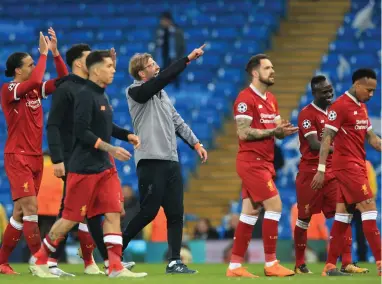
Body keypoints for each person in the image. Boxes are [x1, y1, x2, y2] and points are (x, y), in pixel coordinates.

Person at [31, 50, 147, 278]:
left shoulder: (101, 95)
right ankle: (39, 259)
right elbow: (81, 131)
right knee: (70, 218)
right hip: (83, 167)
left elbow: (105, 126)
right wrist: (110, 147)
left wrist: (126, 135)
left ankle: (115, 266)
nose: (114, 69)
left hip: (104, 167)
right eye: (109, 66)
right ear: (95, 70)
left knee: (114, 213)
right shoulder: (84, 95)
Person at [124, 44, 208, 274]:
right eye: (151, 65)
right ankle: (115, 249)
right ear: (142, 73)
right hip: (150, 160)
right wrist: (187, 59)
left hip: (171, 160)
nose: (157, 66)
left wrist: (196, 143)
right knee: (148, 212)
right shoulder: (134, 92)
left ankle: (174, 260)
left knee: (175, 212)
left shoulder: (162, 94)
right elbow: (163, 79)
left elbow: (177, 121)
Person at [0, 28, 68, 275]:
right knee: (31, 209)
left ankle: (2, 262)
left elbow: (64, 81)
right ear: (18, 70)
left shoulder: (34, 91)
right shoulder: (8, 89)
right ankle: (40, 262)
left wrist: (55, 54)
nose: (33, 66)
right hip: (17, 156)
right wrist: (42, 55)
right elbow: (37, 80)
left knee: (20, 213)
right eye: (29, 64)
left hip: (36, 157)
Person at [227, 54, 298, 278]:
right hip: (251, 162)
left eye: (273, 67)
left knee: (250, 212)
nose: (272, 71)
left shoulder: (271, 99)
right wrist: (273, 131)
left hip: (265, 162)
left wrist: (283, 130)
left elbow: (276, 127)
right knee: (275, 206)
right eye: (267, 68)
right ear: (255, 73)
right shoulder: (244, 98)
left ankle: (235, 267)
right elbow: (243, 132)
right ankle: (271, 263)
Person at [294, 75, 368, 275]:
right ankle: (300, 264)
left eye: (330, 89)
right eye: (324, 91)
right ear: (314, 93)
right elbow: (314, 144)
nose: (329, 94)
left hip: (333, 173)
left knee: (344, 216)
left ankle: (346, 262)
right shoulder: (306, 114)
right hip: (311, 173)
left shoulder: (336, 111)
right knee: (304, 219)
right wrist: (345, 148)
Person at [311, 68, 381, 276]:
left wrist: (378, 142)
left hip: (358, 163)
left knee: (343, 216)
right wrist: (321, 169)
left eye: (374, 91)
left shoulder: (361, 107)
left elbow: (371, 137)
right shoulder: (340, 106)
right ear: (357, 85)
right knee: (369, 208)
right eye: (368, 90)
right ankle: (380, 262)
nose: (371, 94)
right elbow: (326, 139)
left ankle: (330, 265)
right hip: (347, 166)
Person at [155, 11, 185, 89]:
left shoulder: (177, 32)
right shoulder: (159, 32)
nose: (161, 22)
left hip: (173, 60)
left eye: (163, 20)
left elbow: (182, 47)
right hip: (162, 61)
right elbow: (156, 47)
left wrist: (179, 60)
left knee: (174, 79)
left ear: (169, 20)